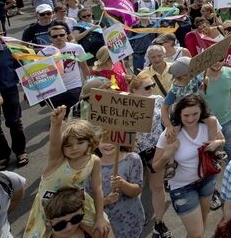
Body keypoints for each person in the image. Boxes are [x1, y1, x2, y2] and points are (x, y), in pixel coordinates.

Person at [24, 107, 110, 238]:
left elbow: (97, 189)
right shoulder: (57, 160)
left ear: (90, 141)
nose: (74, 148)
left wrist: (99, 217)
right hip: (49, 207)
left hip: (76, 203)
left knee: (103, 231)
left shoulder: (94, 160)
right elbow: (54, 143)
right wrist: (56, 123)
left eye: (80, 142)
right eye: (68, 145)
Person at [153, 94, 225, 238]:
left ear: (202, 112)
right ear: (178, 114)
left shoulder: (210, 124)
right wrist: (168, 154)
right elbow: (155, 167)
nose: (191, 119)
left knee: (203, 222)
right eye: (186, 115)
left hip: (207, 179)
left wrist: (218, 143)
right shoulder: (169, 135)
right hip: (182, 187)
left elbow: (223, 139)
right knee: (196, 233)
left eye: (195, 114)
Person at [128, 74, 173, 238]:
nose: (151, 89)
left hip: (155, 150)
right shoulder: (125, 105)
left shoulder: (158, 100)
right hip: (134, 153)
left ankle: (159, 222)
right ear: (134, 90)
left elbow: (166, 120)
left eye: (152, 85)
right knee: (136, 189)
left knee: (157, 187)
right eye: (147, 87)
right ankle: (139, 216)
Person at [88, 142, 144, 238]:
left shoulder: (132, 159)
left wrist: (122, 184)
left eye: (112, 138)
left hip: (131, 221)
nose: (108, 144)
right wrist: (106, 201)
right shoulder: (89, 166)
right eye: (103, 139)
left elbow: (137, 190)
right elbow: (87, 203)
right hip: (105, 226)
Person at [39, 25, 90, 115]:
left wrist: (89, 84)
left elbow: (84, 67)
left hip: (75, 87)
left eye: (61, 35)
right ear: (50, 38)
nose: (59, 38)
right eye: (55, 36)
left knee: (77, 116)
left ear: (66, 35)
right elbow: (40, 76)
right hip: (55, 91)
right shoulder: (42, 53)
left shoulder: (77, 48)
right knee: (62, 119)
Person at [202, 58, 231, 160]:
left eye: (220, 60)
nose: (217, 62)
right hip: (207, 126)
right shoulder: (199, 77)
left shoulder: (230, 72)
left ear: (225, 60)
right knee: (210, 160)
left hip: (228, 122)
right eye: (214, 60)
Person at [0, 39, 28, 170]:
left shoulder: (9, 50)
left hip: (9, 90)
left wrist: (28, 90)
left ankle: (20, 152)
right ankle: (3, 155)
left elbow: (22, 70)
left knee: (14, 122)